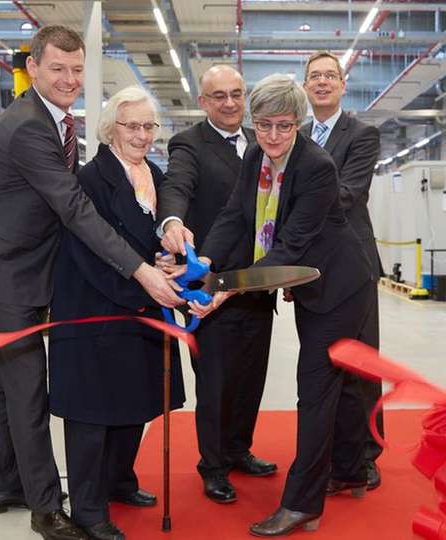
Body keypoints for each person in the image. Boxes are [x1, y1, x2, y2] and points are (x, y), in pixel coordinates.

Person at [0, 26, 182, 540]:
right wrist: (141, 270)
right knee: (28, 386)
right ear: (33, 67)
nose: (69, 79)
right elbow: (74, 208)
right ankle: (43, 506)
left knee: (2, 381)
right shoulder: (30, 126)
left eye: (77, 69)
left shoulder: (54, 118)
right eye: (57, 68)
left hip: (19, 257)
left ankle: (0, 485)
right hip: (8, 266)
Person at [196, 74, 378, 536]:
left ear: (297, 124)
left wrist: (227, 286)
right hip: (309, 286)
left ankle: (302, 504)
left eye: (283, 126)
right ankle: (352, 470)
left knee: (314, 391)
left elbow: (291, 244)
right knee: (342, 385)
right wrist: (205, 261)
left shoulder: (317, 166)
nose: (273, 136)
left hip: (339, 287)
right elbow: (236, 213)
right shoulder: (256, 155)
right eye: (263, 125)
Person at [48, 86, 185, 540]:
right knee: (92, 414)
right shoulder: (91, 180)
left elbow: (153, 240)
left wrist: (169, 264)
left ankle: (120, 480)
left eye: (149, 126)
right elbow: (91, 253)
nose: (142, 135)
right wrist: (145, 290)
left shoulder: (156, 175)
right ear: (110, 130)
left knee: (135, 402)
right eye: (132, 126)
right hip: (98, 310)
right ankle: (88, 507)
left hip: (140, 308)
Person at [156, 65, 277, 505]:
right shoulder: (190, 144)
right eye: (218, 95)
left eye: (236, 94)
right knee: (216, 383)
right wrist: (171, 221)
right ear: (203, 102)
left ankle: (238, 449)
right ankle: (213, 466)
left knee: (251, 378)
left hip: (258, 284)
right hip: (210, 288)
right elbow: (177, 187)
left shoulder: (264, 140)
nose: (229, 103)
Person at [301, 51, 384, 494]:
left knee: (361, 363)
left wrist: (297, 210)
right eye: (314, 76)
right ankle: (337, 451)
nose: (322, 82)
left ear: (343, 84)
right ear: (305, 85)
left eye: (329, 75)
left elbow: (348, 193)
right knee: (324, 364)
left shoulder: (361, 134)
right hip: (311, 270)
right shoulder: (295, 135)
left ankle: (367, 455)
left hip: (352, 267)